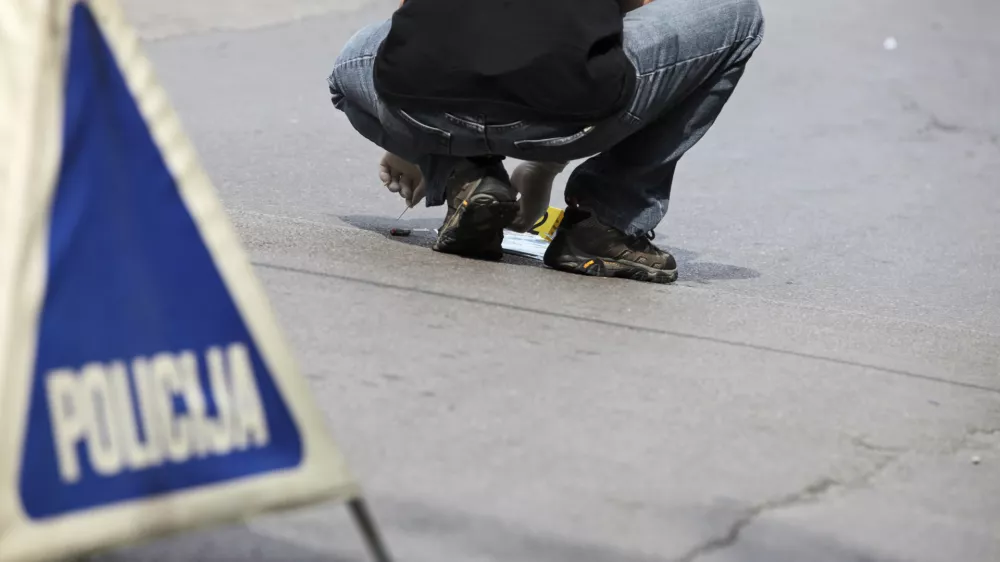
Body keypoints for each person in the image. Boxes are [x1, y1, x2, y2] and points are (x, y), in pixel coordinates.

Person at [328, 0, 764, 283]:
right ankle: (606, 221)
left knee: (352, 66)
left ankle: (466, 174)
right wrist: (546, 165)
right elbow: (635, 16)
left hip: (419, 104)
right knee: (737, 15)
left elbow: (413, 17)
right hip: (569, 115)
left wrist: (412, 141)